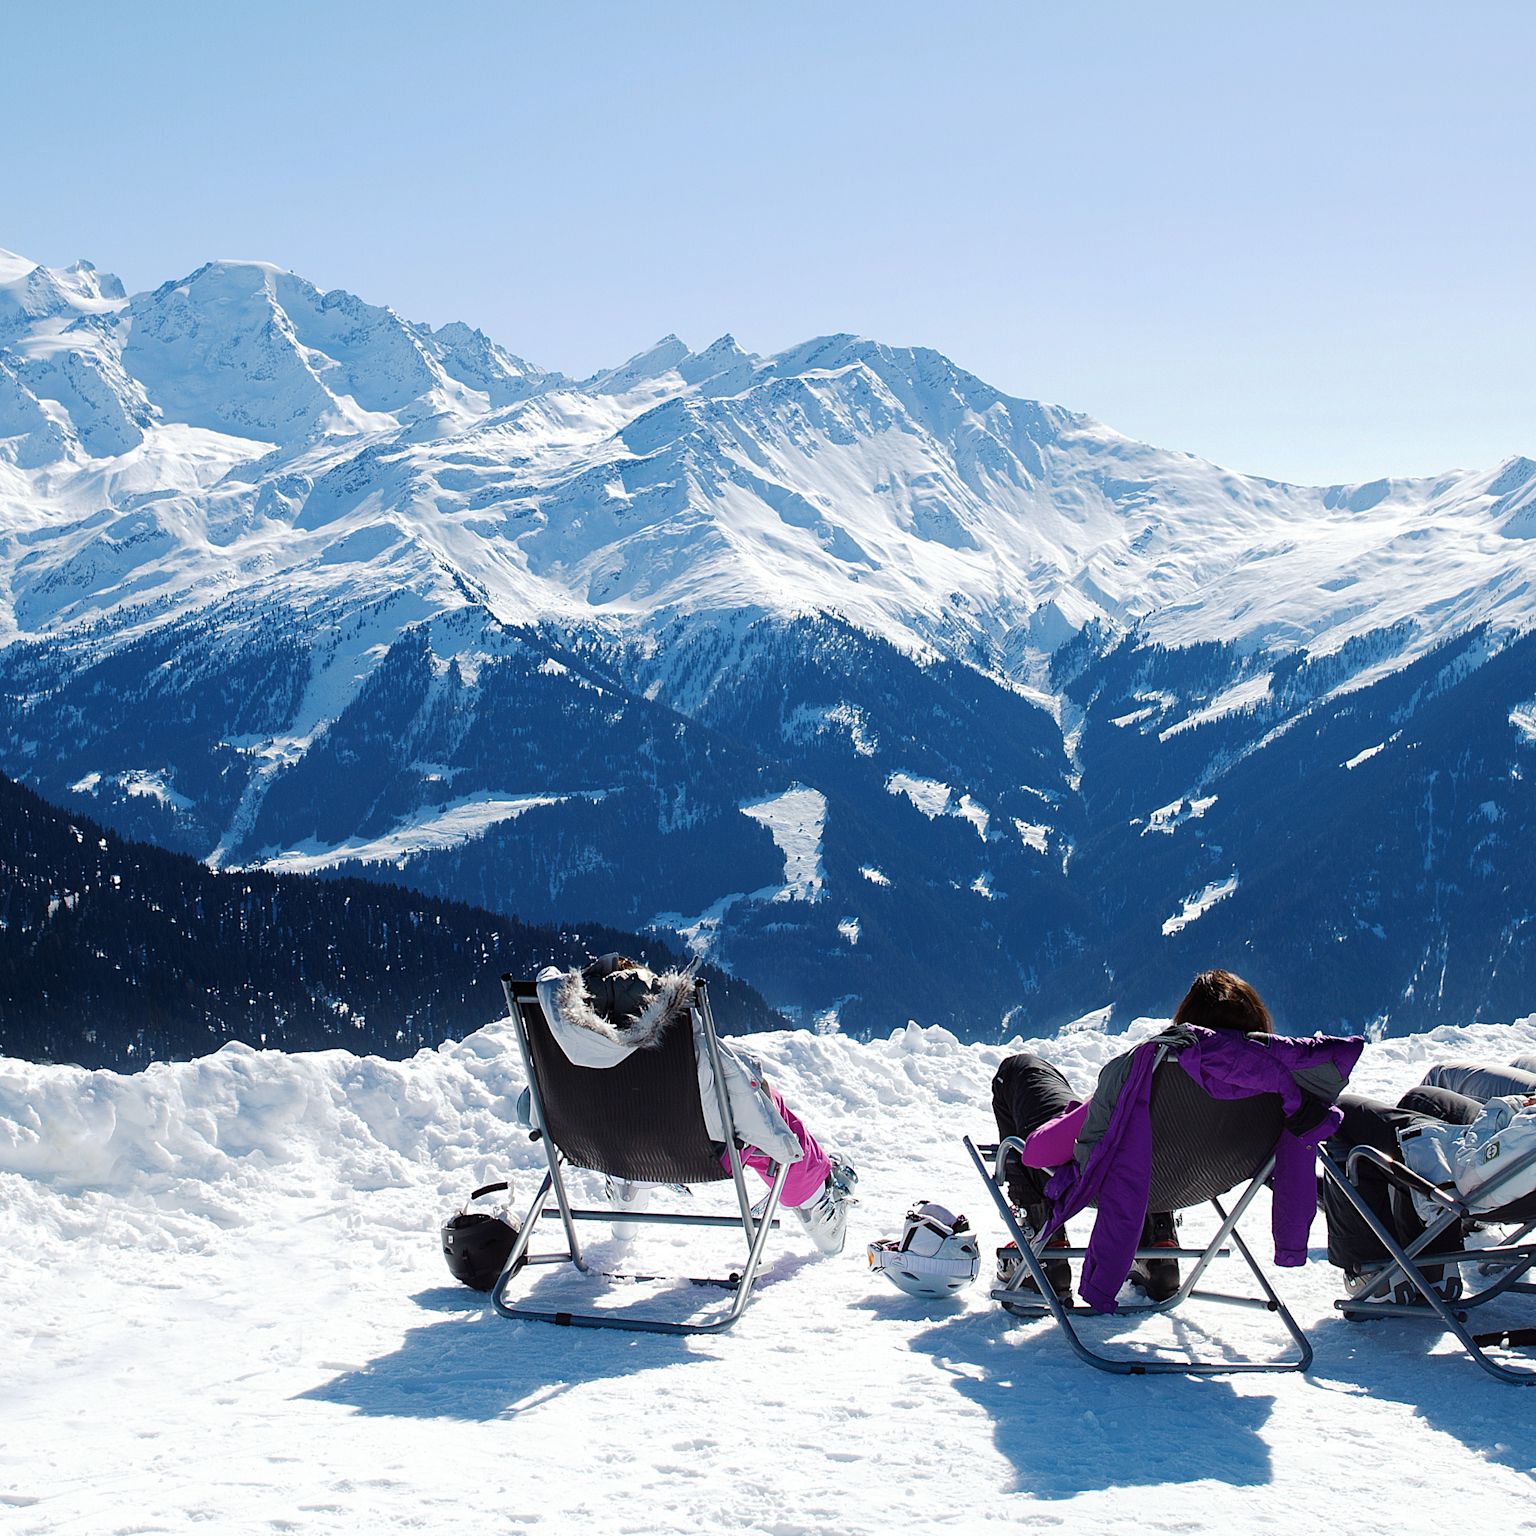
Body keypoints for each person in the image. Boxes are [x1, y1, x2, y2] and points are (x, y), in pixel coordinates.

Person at [991, 970, 1361, 1311]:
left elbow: (1039, 1153)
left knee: (1021, 1070)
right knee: (1151, 1138)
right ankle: (1157, 1248)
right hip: (1207, 1180)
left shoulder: (1147, 1070)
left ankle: (1044, 1249)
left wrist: (1088, 1110)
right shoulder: (1290, 1084)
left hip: (1113, 1187)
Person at [533, 954, 858, 1255]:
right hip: (695, 1153)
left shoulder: (557, 1044)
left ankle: (626, 1192)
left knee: (630, 1112)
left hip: (598, 1146)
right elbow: (758, 1118)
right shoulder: (679, 1036)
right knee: (767, 1111)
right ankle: (819, 1204)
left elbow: (530, 1110)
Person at [1320, 1057, 1536, 1292]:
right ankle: (1431, 1261)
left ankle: (1376, 1278)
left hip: (1504, 1184)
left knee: (1344, 1114)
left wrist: (1507, 1107)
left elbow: (1474, 1175)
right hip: (1520, 1170)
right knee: (1420, 1100)